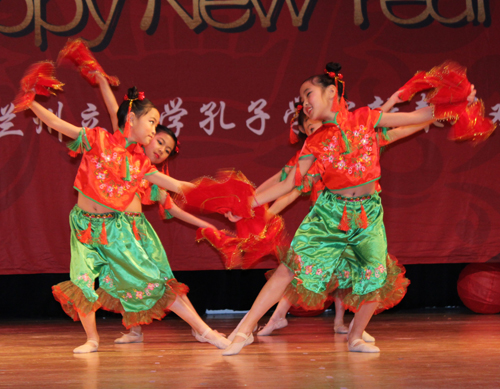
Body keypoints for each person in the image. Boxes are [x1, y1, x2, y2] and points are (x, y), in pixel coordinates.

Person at [221, 61, 477, 356]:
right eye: (302, 98)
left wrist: (456, 102)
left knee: (375, 274)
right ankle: (244, 329)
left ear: (331, 92)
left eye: (308, 94)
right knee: (288, 269)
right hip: (329, 214)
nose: (304, 102)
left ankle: (355, 335)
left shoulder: (366, 118)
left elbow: (414, 116)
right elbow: (289, 181)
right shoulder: (314, 142)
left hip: (368, 213)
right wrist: (248, 204)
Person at [15, 62, 230, 353]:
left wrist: (221, 197)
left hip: (117, 231)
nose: (155, 131)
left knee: (154, 281)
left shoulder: (140, 162)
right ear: (132, 118)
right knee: (81, 279)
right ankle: (92, 338)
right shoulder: (98, 139)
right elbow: (59, 125)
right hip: (84, 225)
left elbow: (176, 184)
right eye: (152, 122)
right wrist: (32, 104)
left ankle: (204, 330)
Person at [93, 72, 222, 344]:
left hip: (139, 234)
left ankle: (199, 329)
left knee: (162, 282)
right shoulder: (126, 150)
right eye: (160, 141)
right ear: (145, 132)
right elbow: (113, 108)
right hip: (119, 229)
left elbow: (174, 208)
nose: (161, 149)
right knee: (125, 281)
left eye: (167, 150)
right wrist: (102, 80)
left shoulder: (150, 176)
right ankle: (136, 330)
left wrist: (207, 224)